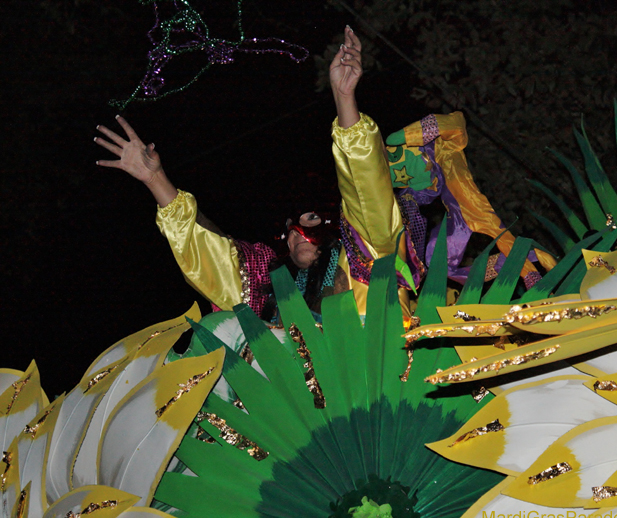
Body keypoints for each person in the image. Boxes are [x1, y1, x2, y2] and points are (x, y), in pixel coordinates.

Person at [95, 27, 421, 320]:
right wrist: (155, 179)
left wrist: (344, 97)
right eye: (288, 230)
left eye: (306, 218)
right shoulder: (268, 289)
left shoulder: (368, 251)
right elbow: (208, 259)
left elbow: (366, 183)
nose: (295, 233)